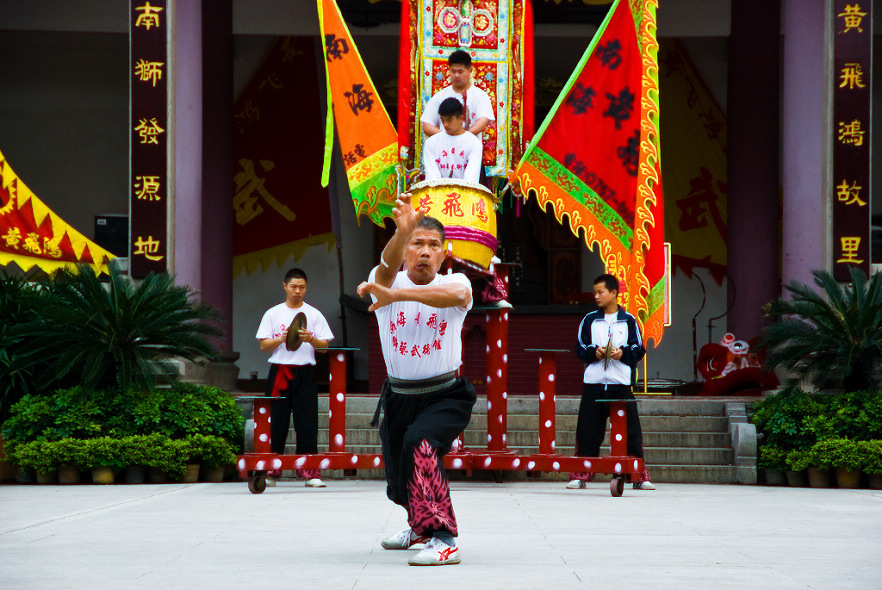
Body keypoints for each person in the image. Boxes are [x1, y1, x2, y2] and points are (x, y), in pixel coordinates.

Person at [357, 194, 475, 567]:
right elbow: (386, 269)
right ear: (405, 250)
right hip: (398, 396)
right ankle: (419, 527)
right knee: (399, 472)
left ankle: (443, 537)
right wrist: (401, 229)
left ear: (445, 253)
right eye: (417, 243)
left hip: (445, 395)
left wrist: (399, 294)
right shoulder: (382, 282)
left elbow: (454, 295)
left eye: (433, 246)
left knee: (420, 444)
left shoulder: (456, 282)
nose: (425, 251)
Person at [567, 274, 655, 490]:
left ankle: (637, 475)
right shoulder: (589, 320)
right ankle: (581, 474)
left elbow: (639, 349)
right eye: (595, 292)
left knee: (631, 431)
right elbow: (580, 347)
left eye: (601, 292)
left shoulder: (629, 320)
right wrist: (594, 352)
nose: (596, 296)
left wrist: (622, 353)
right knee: (587, 430)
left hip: (620, 383)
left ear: (614, 293)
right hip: (594, 383)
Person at [256, 267, 334, 488]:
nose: (298, 291)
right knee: (277, 420)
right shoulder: (273, 313)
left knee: (307, 421)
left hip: (305, 372)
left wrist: (311, 339)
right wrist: (281, 339)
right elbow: (263, 345)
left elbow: (325, 348)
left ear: (306, 288)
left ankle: (310, 472)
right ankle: (271, 471)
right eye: (293, 287)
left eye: (302, 287)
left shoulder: (314, 314)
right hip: (280, 370)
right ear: (285, 287)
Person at [421, 49, 494, 144]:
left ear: (470, 71)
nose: (456, 75)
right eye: (453, 71)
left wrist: (463, 137)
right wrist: (447, 138)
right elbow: (427, 124)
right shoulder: (440, 96)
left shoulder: (480, 95)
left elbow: (483, 121)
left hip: (470, 149)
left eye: (460, 72)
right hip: (445, 151)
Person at [423, 97, 483, 183]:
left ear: (460, 118)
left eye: (449, 120)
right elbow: (432, 178)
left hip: (465, 193)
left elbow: (471, 179)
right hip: (437, 193)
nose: (445, 124)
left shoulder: (474, 143)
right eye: (442, 120)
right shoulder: (431, 143)